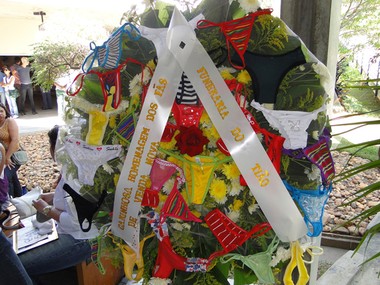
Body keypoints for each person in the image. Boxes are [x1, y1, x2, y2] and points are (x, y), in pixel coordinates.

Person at [19, 125, 98, 281]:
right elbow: (78, 200)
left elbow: (77, 223)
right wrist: (53, 196)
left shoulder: (76, 174)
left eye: (51, 145)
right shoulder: (74, 166)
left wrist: (47, 209)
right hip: (73, 233)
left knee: (17, 265)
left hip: (80, 239)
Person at [0, 103, 22, 198]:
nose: (0, 114)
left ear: (5, 112)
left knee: (6, 177)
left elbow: (15, 140)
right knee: (13, 178)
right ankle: (19, 199)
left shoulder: (9, 121)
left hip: (13, 155)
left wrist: (7, 158)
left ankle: (10, 200)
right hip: (2, 156)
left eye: (1, 111)